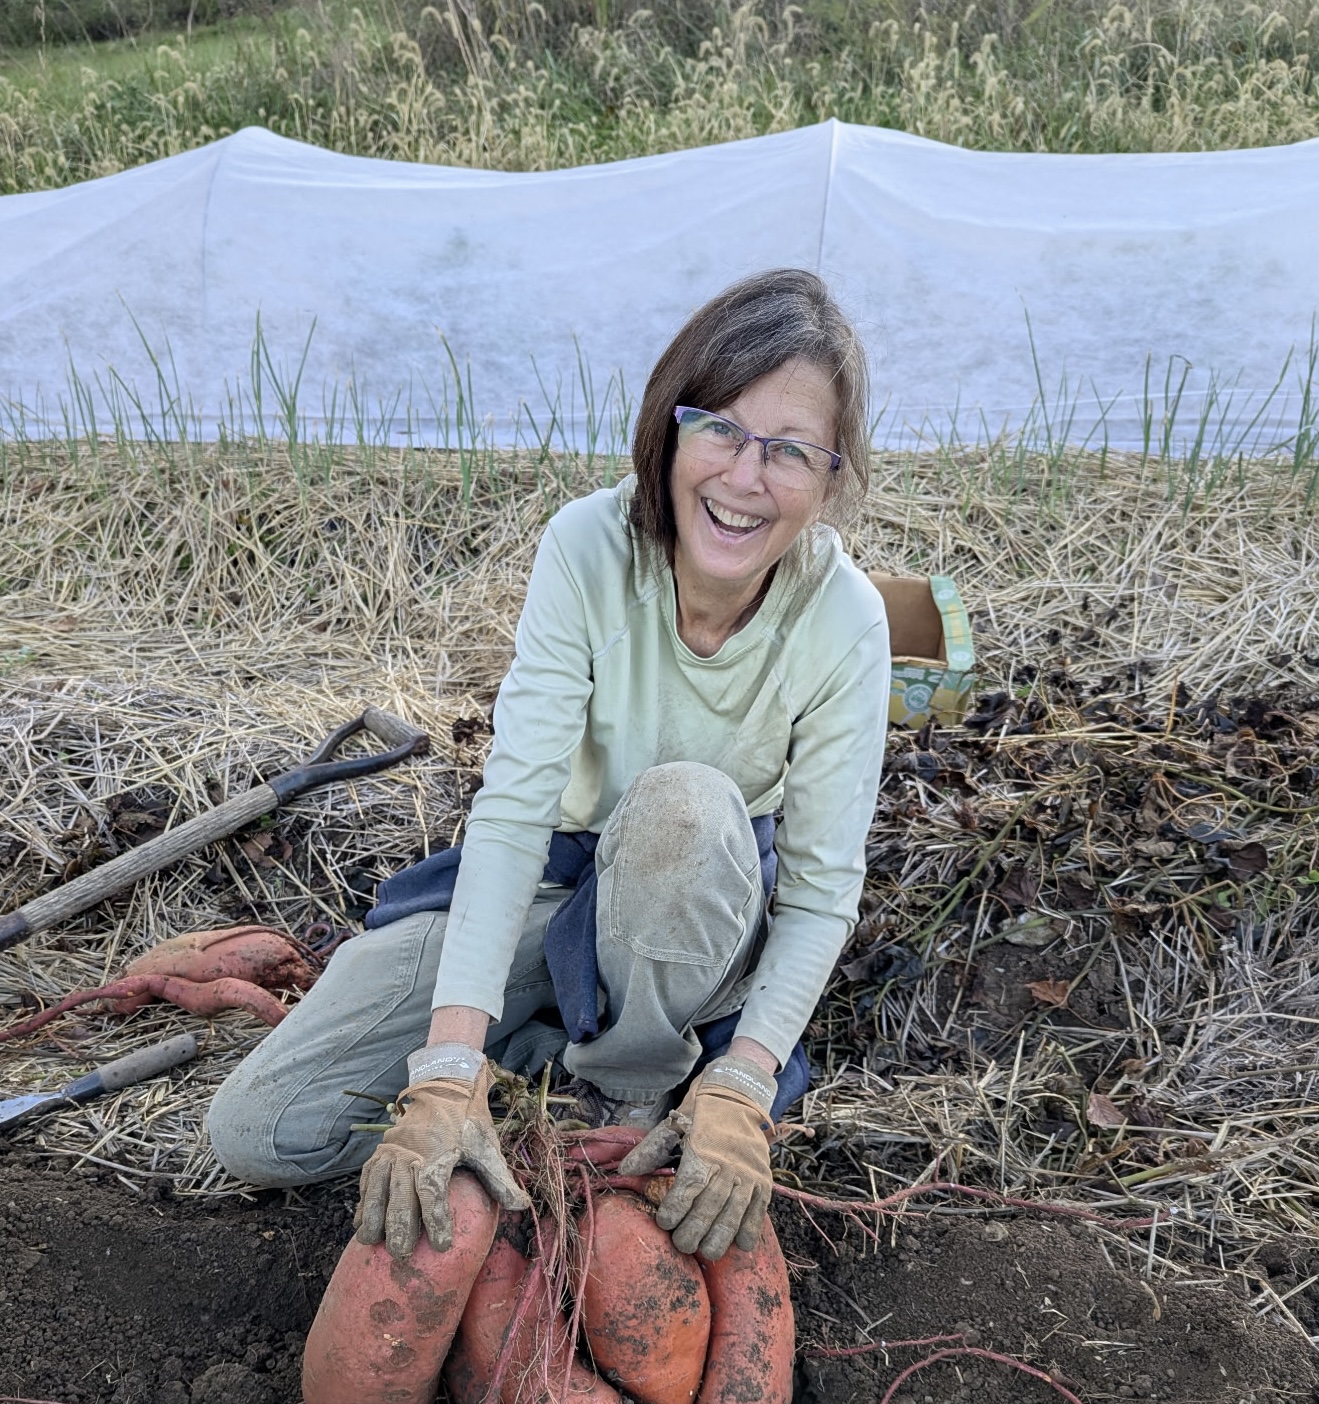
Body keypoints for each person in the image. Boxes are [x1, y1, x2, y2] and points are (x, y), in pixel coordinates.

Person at [207, 268, 891, 1267]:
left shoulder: (845, 619)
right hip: (559, 878)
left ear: (829, 478)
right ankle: (523, 1062)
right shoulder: (587, 549)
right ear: (668, 428)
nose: (747, 478)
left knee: (688, 812)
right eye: (722, 429)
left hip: (695, 930)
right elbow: (517, 809)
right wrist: (444, 1066)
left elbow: (825, 889)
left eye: (790, 450)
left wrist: (745, 1081)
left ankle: (624, 1084)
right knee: (260, 1129)